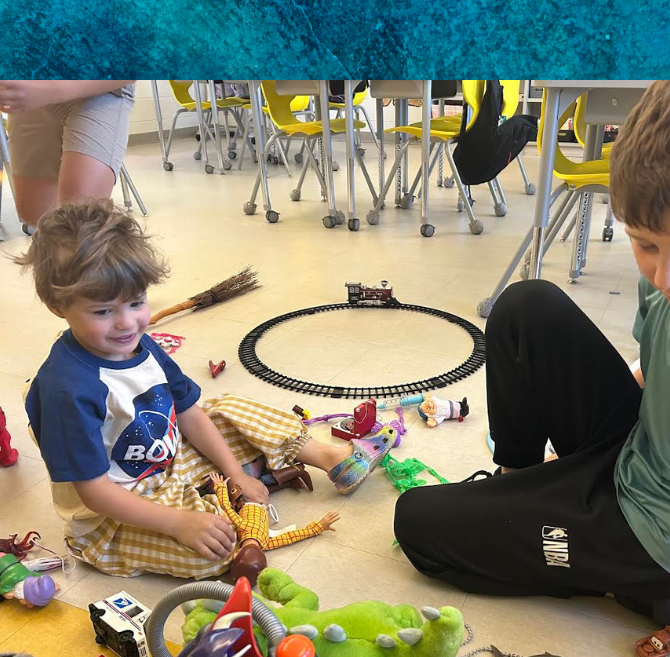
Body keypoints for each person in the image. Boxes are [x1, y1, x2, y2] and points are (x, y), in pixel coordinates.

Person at [394, 81, 670, 657]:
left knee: (416, 525)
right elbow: (658, 371)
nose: (664, 277)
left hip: (667, 539)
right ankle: (521, 483)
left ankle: (666, 583)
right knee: (526, 307)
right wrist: (552, 466)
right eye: (644, 243)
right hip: (641, 447)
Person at [19, 199, 397, 579]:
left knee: (225, 408)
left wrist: (234, 474)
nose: (127, 323)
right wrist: (178, 523)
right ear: (57, 305)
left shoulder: (140, 345)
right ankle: (244, 480)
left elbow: (189, 413)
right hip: (115, 509)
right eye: (103, 311)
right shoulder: (66, 390)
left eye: (137, 303)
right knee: (217, 548)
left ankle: (329, 459)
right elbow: (95, 493)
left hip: (167, 460)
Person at [0, 80, 136, 228]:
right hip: (30, 83)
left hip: (101, 83)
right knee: (36, 215)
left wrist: (50, 90)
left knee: (80, 216)